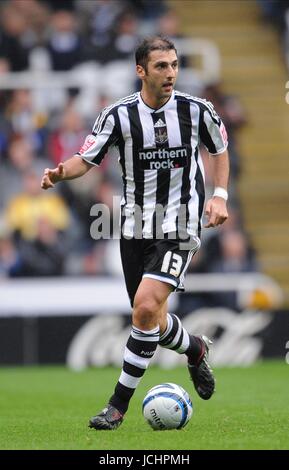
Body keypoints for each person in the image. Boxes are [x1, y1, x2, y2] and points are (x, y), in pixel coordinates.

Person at [41, 36, 229, 430]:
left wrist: (219, 196)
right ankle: (194, 348)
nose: (171, 73)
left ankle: (116, 406)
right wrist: (61, 172)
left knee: (144, 307)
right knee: (152, 321)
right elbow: (86, 158)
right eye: (161, 66)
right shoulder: (118, 115)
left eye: (175, 65)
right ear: (140, 71)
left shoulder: (196, 110)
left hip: (179, 224)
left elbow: (219, 148)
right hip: (133, 228)